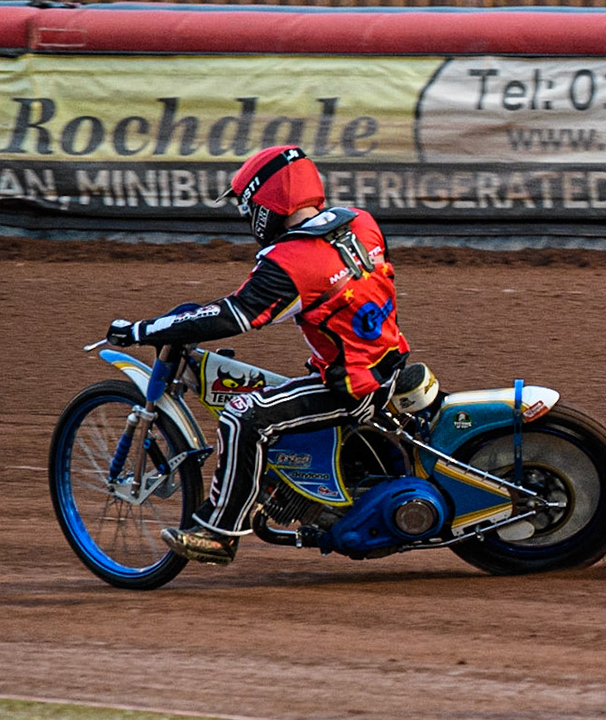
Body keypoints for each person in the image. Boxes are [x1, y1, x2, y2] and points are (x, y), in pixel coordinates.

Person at [105, 146, 412, 565]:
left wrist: (143, 329)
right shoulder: (361, 222)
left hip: (352, 386)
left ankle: (220, 532)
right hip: (389, 363)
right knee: (276, 394)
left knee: (242, 414)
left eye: (248, 207)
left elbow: (236, 315)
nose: (249, 219)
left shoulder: (291, 260)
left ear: (267, 202)